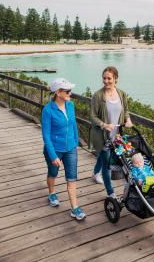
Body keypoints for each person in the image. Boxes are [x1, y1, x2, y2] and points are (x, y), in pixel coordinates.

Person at [42, 78, 86, 220]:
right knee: (52, 173)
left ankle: (75, 208)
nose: (70, 93)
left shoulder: (70, 105)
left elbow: (73, 125)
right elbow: (46, 135)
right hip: (55, 149)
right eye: (67, 91)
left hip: (71, 148)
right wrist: (53, 155)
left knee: (72, 178)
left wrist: (76, 141)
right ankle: (51, 193)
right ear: (58, 92)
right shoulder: (48, 110)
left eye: (70, 91)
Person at [90, 66, 133, 198]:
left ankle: (95, 173)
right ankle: (111, 193)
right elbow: (92, 116)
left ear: (115, 79)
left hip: (117, 136)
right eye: (104, 78)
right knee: (107, 164)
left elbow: (125, 109)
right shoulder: (97, 96)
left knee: (104, 158)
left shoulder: (121, 94)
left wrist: (128, 119)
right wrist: (104, 125)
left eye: (109, 78)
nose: (106, 81)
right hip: (103, 136)